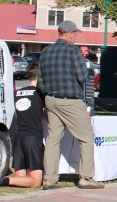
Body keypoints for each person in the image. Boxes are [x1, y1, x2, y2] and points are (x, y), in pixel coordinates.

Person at [39, 21, 103, 190]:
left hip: (50, 99)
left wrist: (48, 95)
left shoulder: (46, 51)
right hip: (71, 100)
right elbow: (82, 77)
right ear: (71, 34)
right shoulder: (73, 51)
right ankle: (86, 177)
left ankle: (50, 179)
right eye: (75, 34)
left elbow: (41, 80)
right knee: (86, 137)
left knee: (53, 138)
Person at [0, 63, 46, 189]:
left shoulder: (17, 93)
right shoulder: (40, 94)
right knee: (35, 182)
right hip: (32, 138)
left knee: (21, 180)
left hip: (18, 139)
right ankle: (2, 179)